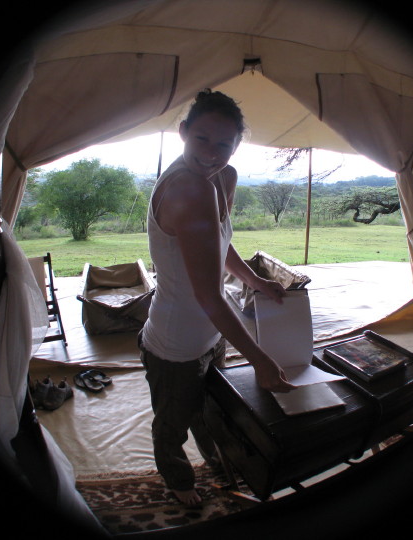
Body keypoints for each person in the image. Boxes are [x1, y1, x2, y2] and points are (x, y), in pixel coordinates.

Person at [138, 89, 296, 506]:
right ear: (183, 132)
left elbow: (218, 245)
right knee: (173, 423)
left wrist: (254, 280)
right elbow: (208, 295)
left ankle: (219, 464)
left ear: (237, 145)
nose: (211, 154)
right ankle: (179, 481)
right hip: (175, 343)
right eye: (201, 139)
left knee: (212, 412)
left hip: (212, 332)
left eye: (224, 144)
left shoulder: (224, 178)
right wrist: (259, 359)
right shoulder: (188, 188)